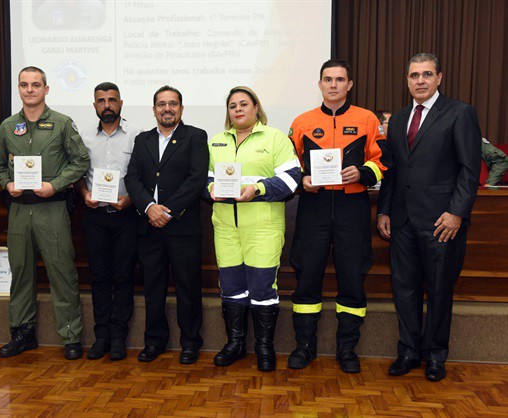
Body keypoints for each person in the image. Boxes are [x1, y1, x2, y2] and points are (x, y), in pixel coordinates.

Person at [377, 53, 481, 382]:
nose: (420, 80)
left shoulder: (460, 113)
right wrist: (384, 210)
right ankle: (409, 351)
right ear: (407, 80)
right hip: (402, 221)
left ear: (439, 78)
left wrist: (457, 213)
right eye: (414, 75)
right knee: (404, 289)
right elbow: (393, 170)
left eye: (426, 74)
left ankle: (436, 355)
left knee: (438, 291)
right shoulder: (398, 120)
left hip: (442, 222)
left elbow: (469, 169)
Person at [288, 59, 388, 373]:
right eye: (328, 79)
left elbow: (382, 160)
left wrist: (363, 173)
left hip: (352, 205)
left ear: (349, 85)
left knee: (353, 277)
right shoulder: (302, 122)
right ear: (319, 84)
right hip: (313, 206)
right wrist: (301, 179)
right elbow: (288, 164)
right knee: (307, 276)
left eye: (340, 79)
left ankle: (347, 349)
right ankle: (304, 346)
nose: (333, 85)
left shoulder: (367, 119)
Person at [0, 66, 90, 360]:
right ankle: (22, 334)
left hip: (52, 208)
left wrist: (55, 185)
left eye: (36, 85)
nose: (30, 89)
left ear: (46, 89)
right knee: (21, 273)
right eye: (24, 84)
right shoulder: (7, 126)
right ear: (19, 89)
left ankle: (70, 336)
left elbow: (80, 161)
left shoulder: (62, 123)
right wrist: (6, 183)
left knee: (62, 273)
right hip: (19, 210)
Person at [206, 86, 301, 371]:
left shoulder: (275, 138)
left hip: (263, 229)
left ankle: (264, 346)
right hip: (226, 228)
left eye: (243, 104)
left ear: (256, 108)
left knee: (262, 288)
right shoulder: (217, 142)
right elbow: (207, 178)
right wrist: (210, 189)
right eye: (232, 105)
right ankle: (235, 343)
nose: (237, 109)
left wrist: (257, 189)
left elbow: (292, 179)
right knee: (231, 288)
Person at [125, 85, 209, 364]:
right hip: (149, 226)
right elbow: (132, 177)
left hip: (183, 228)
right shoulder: (143, 139)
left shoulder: (195, 136)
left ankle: (190, 343)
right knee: (153, 288)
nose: (167, 108)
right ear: (154, 110)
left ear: (181, 109)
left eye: (173, 103)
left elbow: (196, 179)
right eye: (162, 104)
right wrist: (150, 207)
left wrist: (168, 211)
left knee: (188, 287)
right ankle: (154, 341)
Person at [75, 82, 141, 361]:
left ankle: (118, 338)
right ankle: (101, 336)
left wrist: (131, 200)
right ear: (94, 106)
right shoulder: (84, 136)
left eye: (112, 100)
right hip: (95, 217)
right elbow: (78, 173)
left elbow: (144, 175)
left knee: (124, 277)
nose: (107, 105)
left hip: (127, 216)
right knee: (100, 277)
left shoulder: (137, 135)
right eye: (101, 101)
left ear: (120, 103)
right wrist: (84, 194)